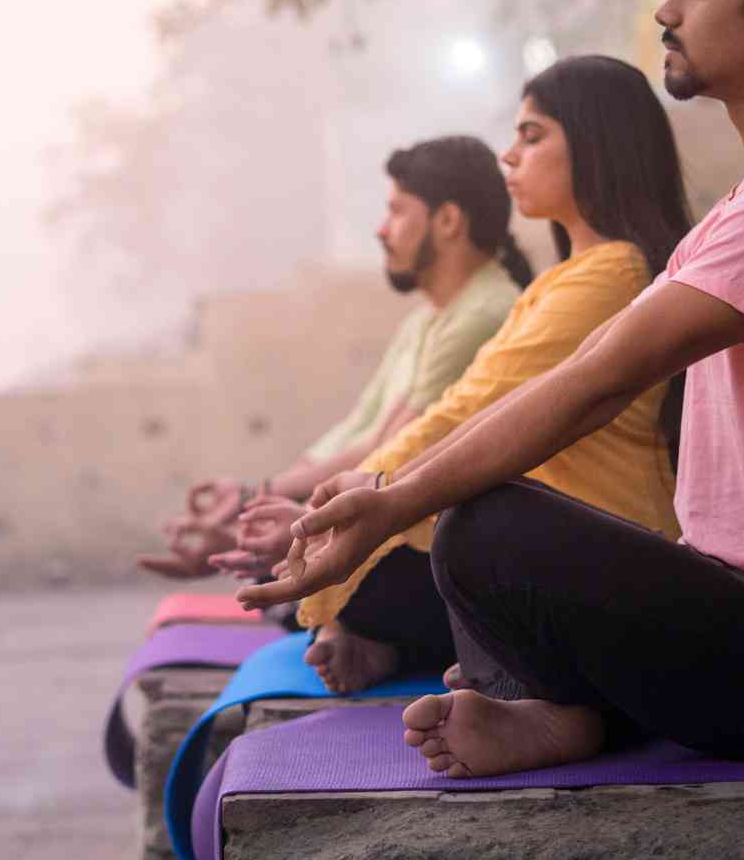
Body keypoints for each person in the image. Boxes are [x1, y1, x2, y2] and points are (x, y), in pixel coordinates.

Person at [240, 0, 744, 777]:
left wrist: (394, 502)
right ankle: (564, 712)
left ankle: (553, 708)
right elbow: (570, 373)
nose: (669, 10)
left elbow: (594, 382)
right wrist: (385, 492)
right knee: (489, 523)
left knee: (482, 523)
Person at [222, 55, 692, 694]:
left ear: (596, 142)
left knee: (452, 544)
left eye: (533, 136)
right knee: (398, 551)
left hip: (605, 548)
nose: (510, 156)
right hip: (561, 543)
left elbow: (475, 409)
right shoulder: (570, 278)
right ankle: (412, 648)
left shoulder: (612, 276)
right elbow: (450, 413)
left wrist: (350, 507)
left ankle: (462, 663)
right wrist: (340, 505)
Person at [137, 136, 529, 578]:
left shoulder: (482, 314)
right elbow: (356, 433)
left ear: (448, 220)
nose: (382, 229)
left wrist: (268, 511)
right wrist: (254, 507)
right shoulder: (425, 321)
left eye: (397, 210)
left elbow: (385, 451)